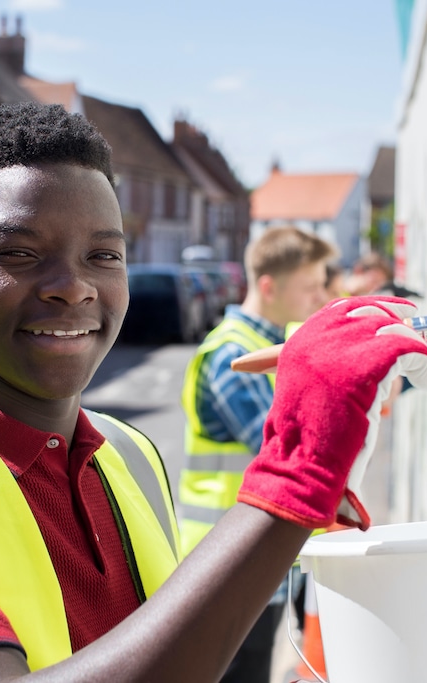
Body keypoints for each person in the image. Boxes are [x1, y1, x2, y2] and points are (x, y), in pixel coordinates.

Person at [0, 102, 427, 683]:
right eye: (20, 252)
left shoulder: (128, 454)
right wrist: (295, 474)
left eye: (104, 254)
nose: (74, 284)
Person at [177, 226, 335, 682]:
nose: (320, 296)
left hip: (253, 561)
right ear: (268, 286)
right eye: (311, 286)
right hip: (228, 565)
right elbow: (292, 453)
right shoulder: (234, 355)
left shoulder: (274, 347)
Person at [345, 251, 422, 299]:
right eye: (374, 281)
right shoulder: (338, 294)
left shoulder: (356, 303)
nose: (375, 288)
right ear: (359, 270)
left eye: (379, 285)